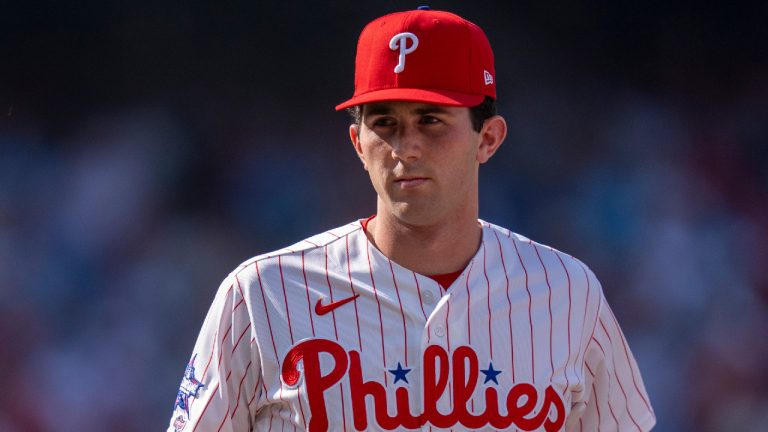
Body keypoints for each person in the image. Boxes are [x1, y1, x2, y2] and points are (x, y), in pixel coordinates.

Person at [168, 7, 655, 432]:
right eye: (385, 123)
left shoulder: (567, 293)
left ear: (488, 138)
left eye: (431, 120)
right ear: (358, 143)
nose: (406, 147)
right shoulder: (261, 294)